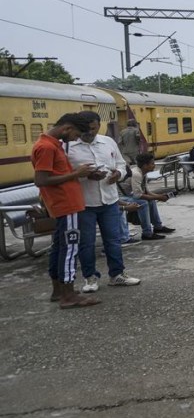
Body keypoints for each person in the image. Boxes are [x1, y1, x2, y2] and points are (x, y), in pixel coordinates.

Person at [67, 111, 142, 292]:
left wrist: (119, 174)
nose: (90, 132)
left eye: (93, 128)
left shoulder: (108, 142)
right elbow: (65, 175)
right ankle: (90, 278)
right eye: (86, 129)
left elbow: (121, 164)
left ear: (99, 125)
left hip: (109, 199)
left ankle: (117, 274)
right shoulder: (69, 147)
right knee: (87, 243)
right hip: (85, 202)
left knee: (113, 240)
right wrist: (85, 176)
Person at [33, 113, 102, 308]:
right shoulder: (46, 147)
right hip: (66, 204)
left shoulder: (52, 145)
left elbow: (56, 174)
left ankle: (58, 291)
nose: (76, 139)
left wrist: (82, 174)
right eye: (76, 134)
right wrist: (77, 173)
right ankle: (69, 295)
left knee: (59, 248)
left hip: (66, 204)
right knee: (70, 249)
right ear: (67, 129)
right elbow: (41, 180)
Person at [126, 153, 176, 240]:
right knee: (143, 203)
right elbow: (138, 195)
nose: (154, 165)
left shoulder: (143, 173)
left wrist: (160, 196)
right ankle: (147, 233)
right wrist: (159, 197)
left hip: (130, 195)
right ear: (145, 165)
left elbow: (146, 192)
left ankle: (158, 227)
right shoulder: (136, 174)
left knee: (151, 200)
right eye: (152, 163)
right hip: (121, 197)